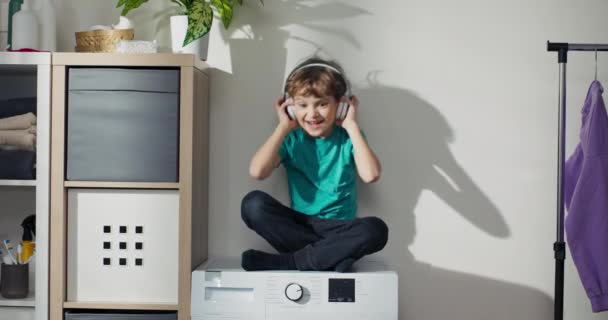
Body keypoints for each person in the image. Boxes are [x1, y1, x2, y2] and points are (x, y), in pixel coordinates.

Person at [241, 57, 388, 272]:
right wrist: (283, 127)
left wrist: (352, 125)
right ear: (291, 108)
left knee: (376, 229)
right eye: (302, 105)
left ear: (340, 106)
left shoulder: (348, 138)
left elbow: (371, 175)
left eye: (322, 104)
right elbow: (257, 171)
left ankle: (292, 262)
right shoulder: (291, 139)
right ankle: (331, 258)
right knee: (252, 204)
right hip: (301, 227)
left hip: (340, 229)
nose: (312, 114)